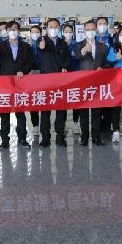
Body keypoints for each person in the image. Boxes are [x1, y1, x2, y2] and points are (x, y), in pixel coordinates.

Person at [0, 21, 33, 149]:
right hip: (5, 83)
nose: (12, 31)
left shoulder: (25, 46)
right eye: (10, 29)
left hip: (20, 83)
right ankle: (4, 140)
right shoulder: (1, 45)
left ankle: (22, 138)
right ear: (7, 31)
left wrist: (23, 70)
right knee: (4, 113)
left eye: (15, 29)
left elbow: (30, 63)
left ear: (18, 31)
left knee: (20, 112)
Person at [74, 20, 109, 146]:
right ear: (83, 31)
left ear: (96, 30)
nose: (90, 31)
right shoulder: (78, 45)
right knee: (83, 112)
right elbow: (76, 57)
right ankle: (84, 137)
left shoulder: (103, 46)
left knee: (97, 112)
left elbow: (108, 63)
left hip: (97, 83)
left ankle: (96, 137)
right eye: (88, 29)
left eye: (93, 29)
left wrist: (102, 68)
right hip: (83, 83)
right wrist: (84, 50)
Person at [37, 18, 71, 147]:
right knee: (45, 111)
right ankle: (45, 138)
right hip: (46, 80)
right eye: (51, 26)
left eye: (56, 26)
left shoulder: (63, 42)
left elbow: (67, 58)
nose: (54, 29)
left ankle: (60, 136)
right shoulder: (42, 40)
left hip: (61, 81)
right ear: (46, 28)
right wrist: (41, 46)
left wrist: (65, 66)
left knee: (61, 111)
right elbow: (40, 47)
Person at [62, 24, 81, 134]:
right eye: (66, 31)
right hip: (63, 77)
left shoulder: (77, 45)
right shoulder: (60, 44)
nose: (68, 33)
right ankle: (63, 122)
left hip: (75, 76)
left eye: (70, 31)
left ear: (73, 33)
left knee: (75, 99)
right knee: (63, 100)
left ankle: (75, 122)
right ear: (63, 32)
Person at [28, 24, 42, 137]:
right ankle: (35, 125)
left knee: (46, 97)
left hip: (44, 73)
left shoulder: (45, 44)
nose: (35, 34)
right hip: (31, 74)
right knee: (33, 100)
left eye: (37, 32)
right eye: (33, 32)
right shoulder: (27, 46)